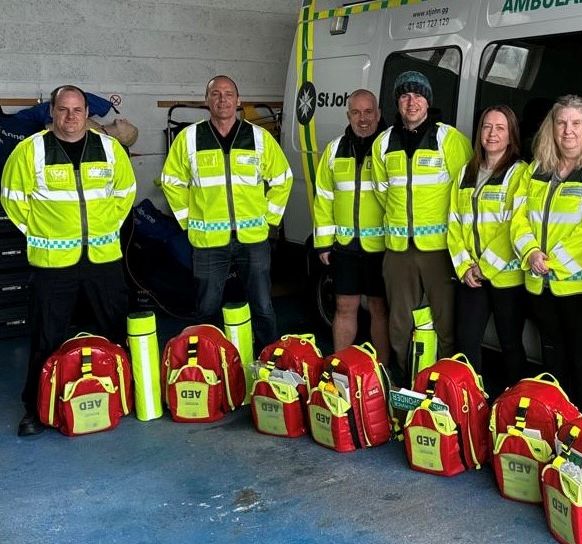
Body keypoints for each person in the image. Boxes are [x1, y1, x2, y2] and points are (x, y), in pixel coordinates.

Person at [1, 85, 136, 436]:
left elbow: (125, 193)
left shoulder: (109, 149)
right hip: (53, 262)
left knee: (116, 329)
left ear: (87, 112)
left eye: (77, 110)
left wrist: (106, 226)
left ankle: (125, 393)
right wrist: (39, 231)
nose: (71, 117)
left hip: (103, 258)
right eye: (63, 110)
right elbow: (13, 198)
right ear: (52, 112)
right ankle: (35, 407)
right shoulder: (29, 151)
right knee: (46, 336)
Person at [160, 75, 292, 352]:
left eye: (229, 94)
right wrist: (188, 222)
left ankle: (271, 358)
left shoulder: (258, 138)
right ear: (207, 101)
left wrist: (270, 218)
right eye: (216, 94)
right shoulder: (189, 138)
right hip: (208, 241)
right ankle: (209, 359)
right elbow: (171, 181)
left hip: (253, 238)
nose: (223, 99)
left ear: (238, 100)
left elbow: (283, 178)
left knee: (263, 305)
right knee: (206, 307)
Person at [510, 95, 582, 412]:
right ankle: (556, 424)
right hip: (540, 283)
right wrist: (530, 253)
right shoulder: (537, 168)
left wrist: (551, 263)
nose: (568, 130)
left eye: (576, 123)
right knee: (551, 360)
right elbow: (517, 216)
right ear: (551, 128)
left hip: (579, 288)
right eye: (561, 123)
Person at [372, 71, 473, 384]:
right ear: (397, 103)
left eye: (417, 95)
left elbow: (465, 194)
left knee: (445, 323)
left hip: (440, 250)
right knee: (399, 323)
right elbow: (381, 191)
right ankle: (407, 379)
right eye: (404, 95)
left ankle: (445, 383)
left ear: (428, 100)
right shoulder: (384, 142)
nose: (411, 101)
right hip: (399, 250)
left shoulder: (449, 139)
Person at [448, 106, 528, 390]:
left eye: (500, 128)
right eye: (486, 127)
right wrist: (465, 267)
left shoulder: (520, 173)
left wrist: (485, 266)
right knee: (466, 341)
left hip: (506, 278)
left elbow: (512, 228)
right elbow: (453, 223)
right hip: (471, 275)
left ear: (511, 136)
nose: (492, 133)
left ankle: (516, 407)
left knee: (510, 344)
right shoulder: (465, 172)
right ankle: (472, 403)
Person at [313, 89, 390, 364]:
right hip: (344, 246)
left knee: (380, 309)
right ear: (348, 115)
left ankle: (381, 372)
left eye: (368, 112)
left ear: (378, 114)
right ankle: (340, 367)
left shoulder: (388, 148)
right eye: (356, 112)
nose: (363, 118)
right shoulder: (334, 149)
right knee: (345, 307)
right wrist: (323, 241)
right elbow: (323, 197)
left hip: (381, 245)